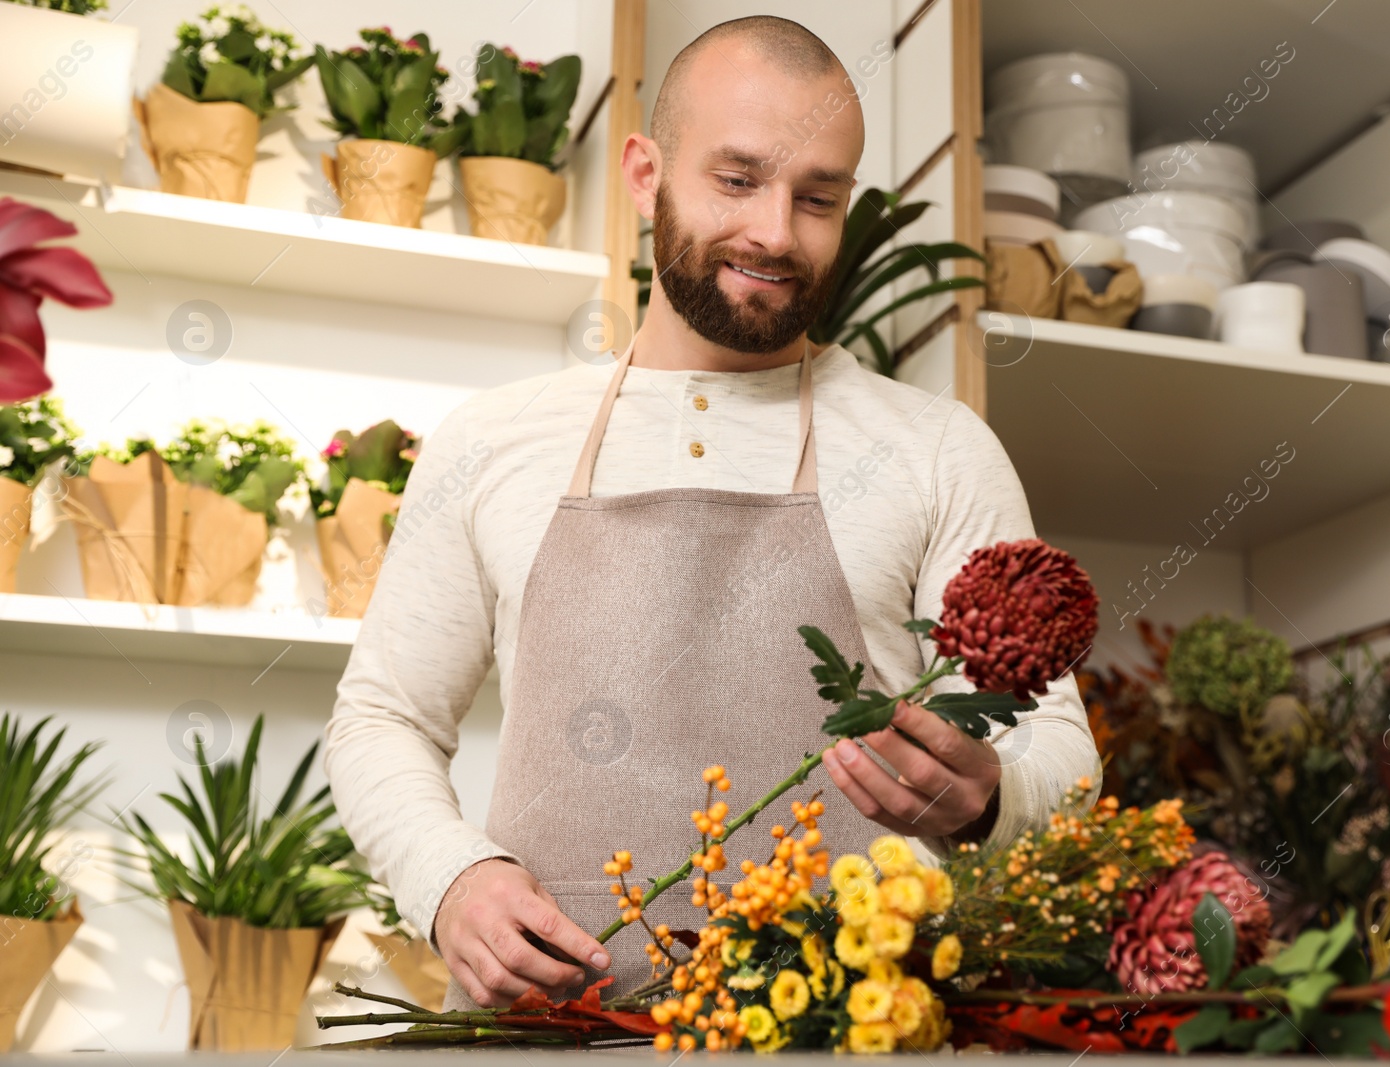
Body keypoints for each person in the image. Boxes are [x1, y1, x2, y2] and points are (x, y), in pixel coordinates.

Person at [324, 15, 1099, 1011]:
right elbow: (382, 714)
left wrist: (990, 792)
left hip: (847, 1034)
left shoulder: (936, 446)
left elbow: (1060, 753)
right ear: (645, 173)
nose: (776, 232)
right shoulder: (492, 437)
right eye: (736, 181)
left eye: (816, 197)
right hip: (549, 1035)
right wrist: (450, 879)